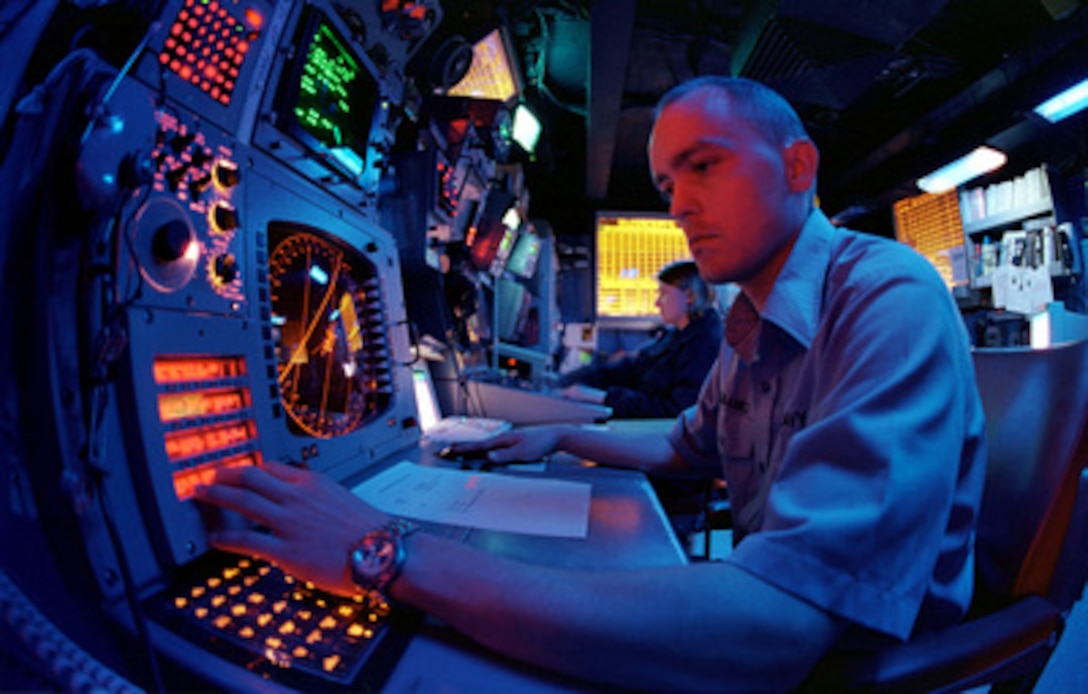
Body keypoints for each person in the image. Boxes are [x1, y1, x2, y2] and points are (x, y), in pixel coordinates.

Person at [196, 76, 986, 692]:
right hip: (772, 623)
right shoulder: (752, 322)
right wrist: (564, 434)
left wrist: (388, 555)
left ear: (797, 165)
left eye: (702, 165)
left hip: (848, 665)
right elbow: (687, 441)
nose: (678, 205)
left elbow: (780, 630)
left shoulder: (887, 296)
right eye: (668, 182)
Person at [558, 259, 722, 418]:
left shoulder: (704, 345)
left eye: (664, 294)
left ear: (689, 296)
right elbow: (630, 369)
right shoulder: (678, 335)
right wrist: (567, 381)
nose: (657, 303)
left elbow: (676, 410)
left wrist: (604, 398)